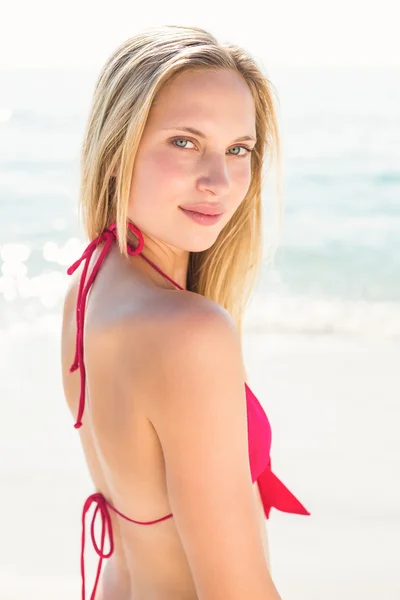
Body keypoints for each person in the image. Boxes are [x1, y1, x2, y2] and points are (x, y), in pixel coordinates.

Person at [61, 24, 310, 600]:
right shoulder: (189, 333)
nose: (219, 181)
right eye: (184, 141)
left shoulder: (90, 285)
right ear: (118, 150)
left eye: (237, 150)